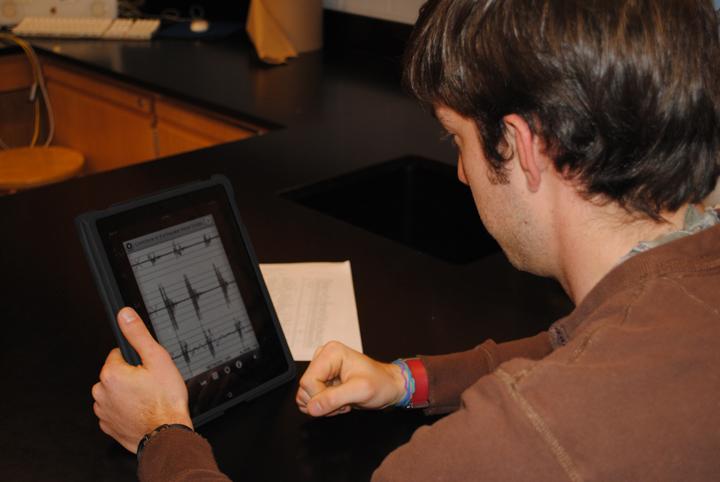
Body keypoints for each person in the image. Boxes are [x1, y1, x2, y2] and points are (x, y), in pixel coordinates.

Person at [91, 0, 720, 480]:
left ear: (524, 147)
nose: (462, 171)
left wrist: (160, 434)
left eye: (457, 139)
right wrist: (405, 382)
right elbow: (574, 341)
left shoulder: (516, 445)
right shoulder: (683, 287)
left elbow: (549, 397)